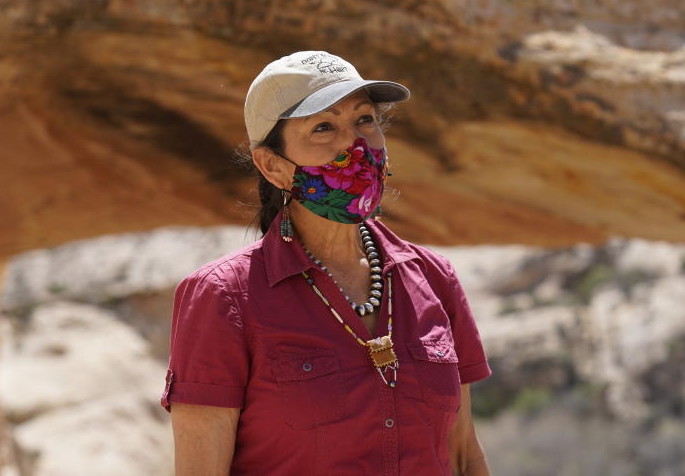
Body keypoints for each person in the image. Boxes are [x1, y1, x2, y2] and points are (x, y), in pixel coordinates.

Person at [161, 50, 492, 475]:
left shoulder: (433, 277)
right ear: (273, 167)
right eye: (323, 127)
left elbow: (464, 456)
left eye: (364, 120)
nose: (353, 144)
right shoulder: (224, 296)